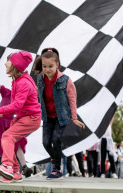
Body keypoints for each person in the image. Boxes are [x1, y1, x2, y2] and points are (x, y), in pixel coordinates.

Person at [0, 51, 41, 183]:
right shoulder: (18, 80)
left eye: (8, 61)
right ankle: (15, 172)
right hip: (23, 117)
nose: (5, 63)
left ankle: (7, 166)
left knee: (7, 136)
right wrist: (0, 113)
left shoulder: (23, 83)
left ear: (15, 64)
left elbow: (17, 105)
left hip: (31, 118)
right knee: (10, 140)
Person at [33, 48, 85, 180]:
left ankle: (57, 169)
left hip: (61, 117)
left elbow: (72, 99)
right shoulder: (40, 78)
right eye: (44, 66)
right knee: (45, 142)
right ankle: (55, 158)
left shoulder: (65, 80)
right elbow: (37, 94)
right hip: (47, 117)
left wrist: (74, 118)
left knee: (55, 139)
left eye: (50, 66)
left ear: (57, 64)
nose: (47, 69)